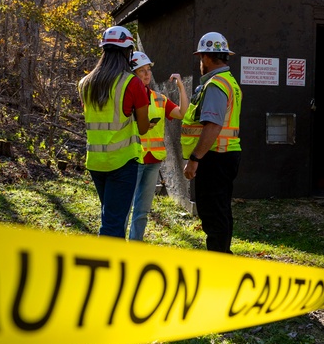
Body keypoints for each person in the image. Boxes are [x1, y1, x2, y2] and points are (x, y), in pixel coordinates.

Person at [78, 26, 149, 238]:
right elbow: (143, 128)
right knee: (112, 225)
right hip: (122, 163)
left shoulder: (85, 84)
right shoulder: (132, 83)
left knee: (109, 216)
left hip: (96, 162)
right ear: (128, 52)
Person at [182, 32, 242, 254]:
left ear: (206, 57)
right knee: (221, 211)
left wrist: (195, 158)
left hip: (215, 156)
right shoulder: (229, 82)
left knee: (213, 214)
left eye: (200, 58)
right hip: (224, 155)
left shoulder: (216, 85)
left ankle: (219, 261)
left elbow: (213, 126)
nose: (200, 63)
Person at [127, 50, 189, 241]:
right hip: (133, 159)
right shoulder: (126, 97)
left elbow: (181, 113)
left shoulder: (159, 98)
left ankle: (135, 245)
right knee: (125, 208)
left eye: (148, 70)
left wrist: (181, 87)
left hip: (153, 160)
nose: (146, 74)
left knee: (142, 210)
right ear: (132, 74)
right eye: (141, 71)